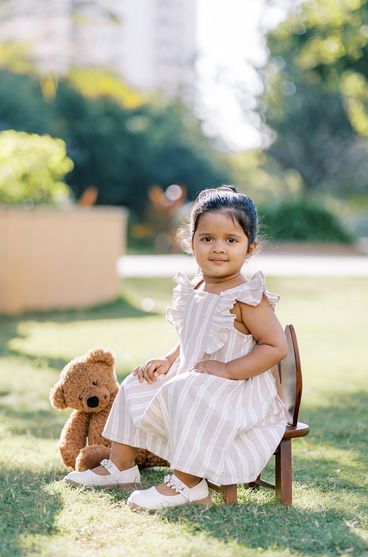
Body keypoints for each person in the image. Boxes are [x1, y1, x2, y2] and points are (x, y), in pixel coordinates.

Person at [64, 185, 288, 511]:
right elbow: (193, 338)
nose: (218, 248)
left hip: (238, 390)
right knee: (140, 381)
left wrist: (228, 370)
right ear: (191, 241)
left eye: (231, 240)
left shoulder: (246, 296)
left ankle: (188, 484)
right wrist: (168, 360)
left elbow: (275, 346)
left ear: (250, 248)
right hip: (197, 377)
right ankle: (121, 464)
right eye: (207, 238)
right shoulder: (196, 286)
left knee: (185, 391)